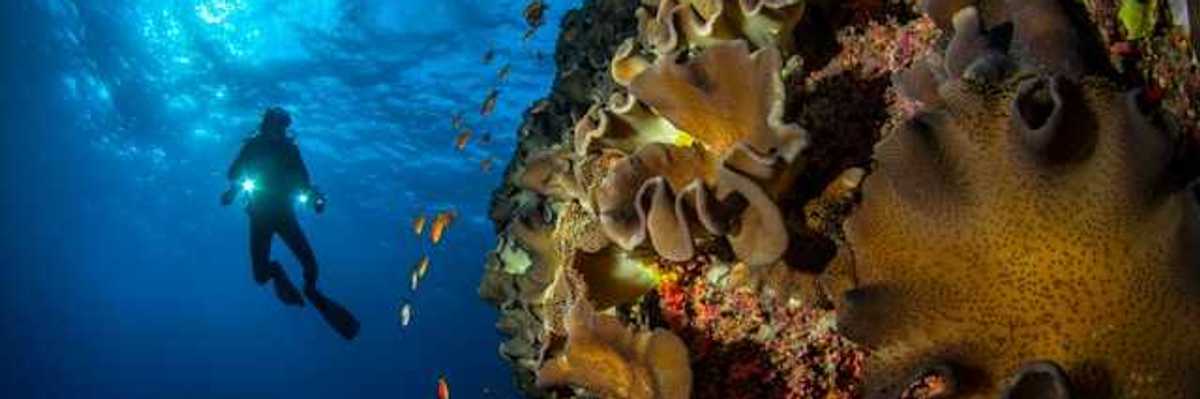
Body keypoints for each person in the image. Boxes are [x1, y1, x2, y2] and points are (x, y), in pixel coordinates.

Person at [221, 106, 359, 340]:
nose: (279, 130)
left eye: (283, 126)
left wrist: (316, 199)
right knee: (260, 276)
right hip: (260, 216)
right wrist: (234, 191)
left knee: (311, 266)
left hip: (284, 216)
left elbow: (305, 182)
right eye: (276, 125)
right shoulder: (253, 146)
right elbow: (234, 173)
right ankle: (276, 272)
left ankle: (311, 291)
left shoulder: (290, 150)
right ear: (266, 125)